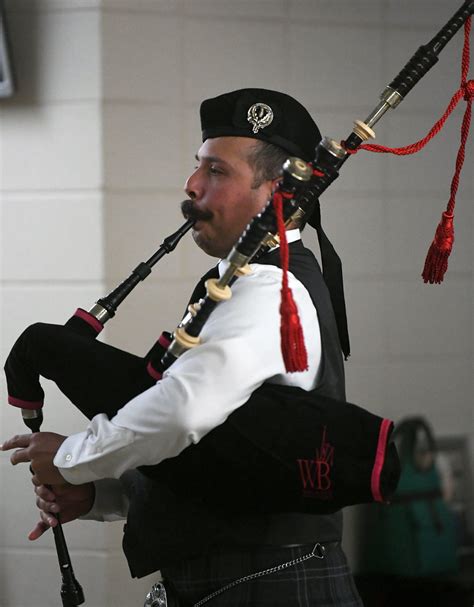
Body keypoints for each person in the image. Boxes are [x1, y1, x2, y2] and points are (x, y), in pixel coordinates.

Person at [2, 88, 363, 606]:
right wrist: (99, 493)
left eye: (217, 171)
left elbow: (180, 415)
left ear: (281, 189)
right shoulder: (242, 284)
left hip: (269, 588)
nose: (192, 185)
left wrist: (73, 458)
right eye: (198, 167)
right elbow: (217, 455)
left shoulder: (270, 291)